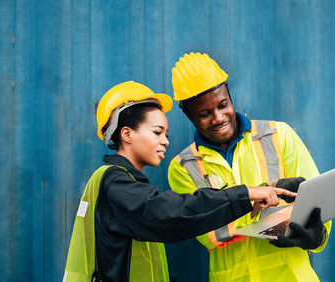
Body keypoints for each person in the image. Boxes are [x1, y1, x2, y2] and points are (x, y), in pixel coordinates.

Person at [63, 81, 296, 282]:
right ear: (126, 134)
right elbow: (170, 215)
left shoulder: (124, 183)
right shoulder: (116, 183)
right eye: (157, 132)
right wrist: (245, 193)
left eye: (166, 134)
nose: (165, 141)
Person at [167, 52, 332, 281]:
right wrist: (254, 201)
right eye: (204, 114)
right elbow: (209, 233)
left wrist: (317, 236)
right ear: (187, 113)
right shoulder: (184, 167)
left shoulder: (278, 135)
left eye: (223, 105)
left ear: (229, 95)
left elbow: (318, 200)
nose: (218, 118)